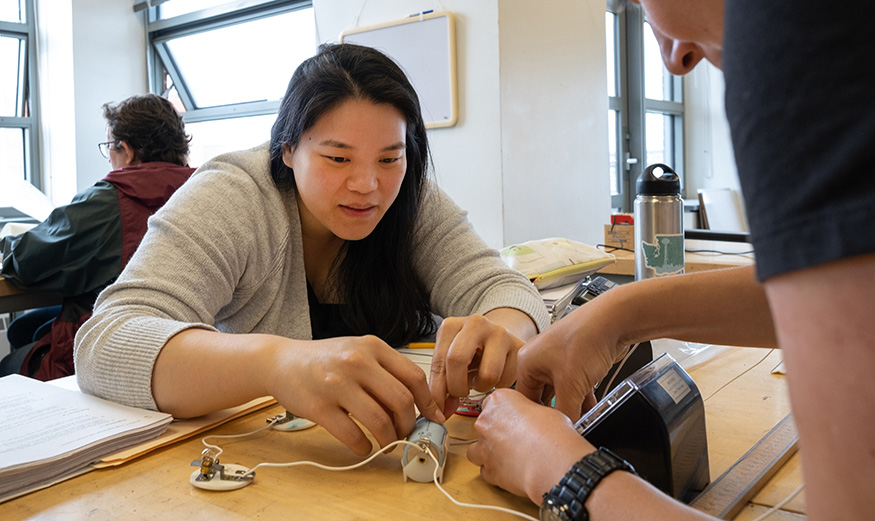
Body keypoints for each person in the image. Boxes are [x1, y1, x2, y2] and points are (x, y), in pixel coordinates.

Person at [468, 1, 875, 520]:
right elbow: (847, 300)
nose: (673, 58)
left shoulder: (802, 28)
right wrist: (617, 315)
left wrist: (564, 473)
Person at [74, 43, 551, 457]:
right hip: (262, 472)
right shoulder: (234, 196)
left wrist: (503, 329)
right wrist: (277, 363)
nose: (368, 185)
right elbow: (106, 342)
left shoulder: (410, 197)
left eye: (390, 157)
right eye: (338, 157)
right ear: (287, 149)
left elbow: (503, 288)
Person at [0, 93, 195, 380]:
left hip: (112, 350)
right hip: (181, 341)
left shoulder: (108, 201)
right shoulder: (199, 191)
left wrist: (8, 245)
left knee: (8, 365)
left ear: (126, 151)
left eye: (109, 148)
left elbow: (27, 262)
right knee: (25, 328)